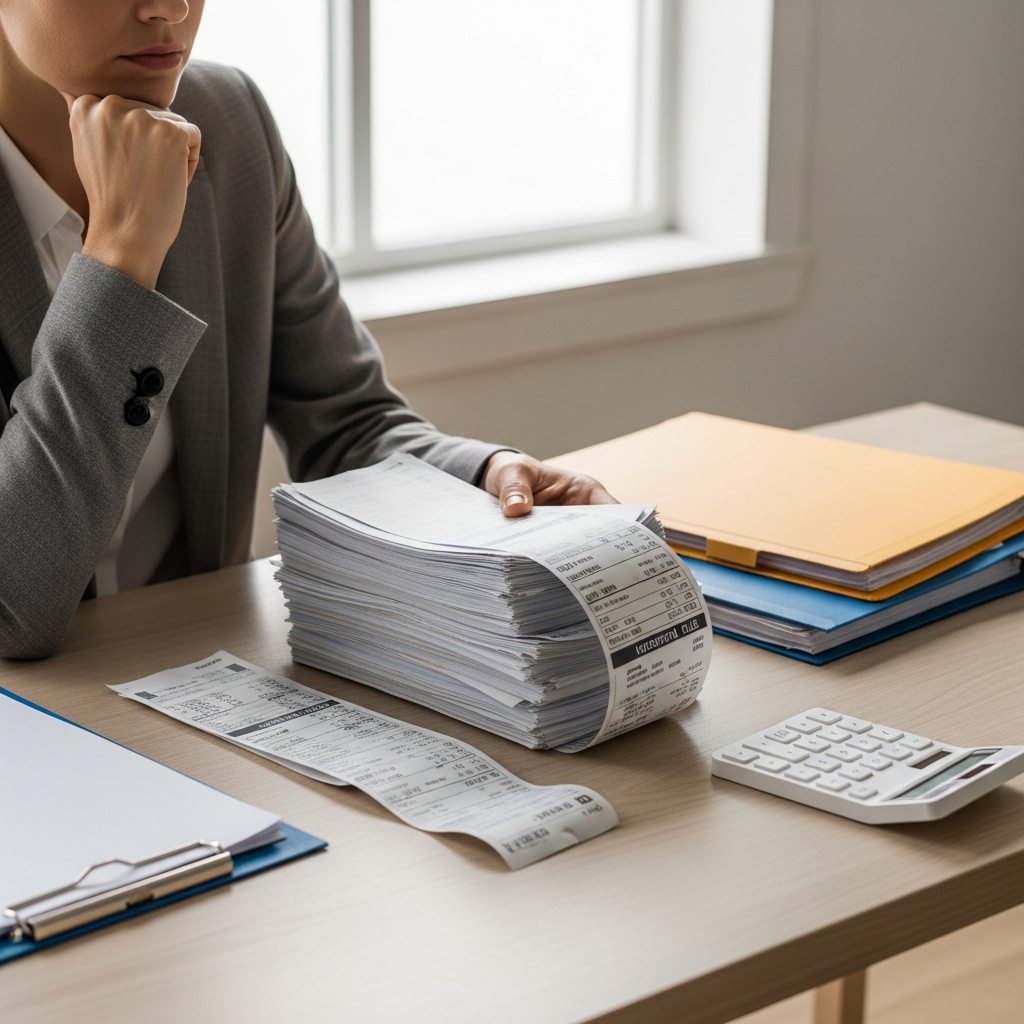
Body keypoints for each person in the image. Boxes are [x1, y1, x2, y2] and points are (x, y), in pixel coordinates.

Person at [0, 0, 616, 660]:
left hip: (198, 678)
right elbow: (13, 606)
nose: (171, 8)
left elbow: (345, 422)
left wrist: (487, 478)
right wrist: (122, 253)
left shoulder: (228, 122)